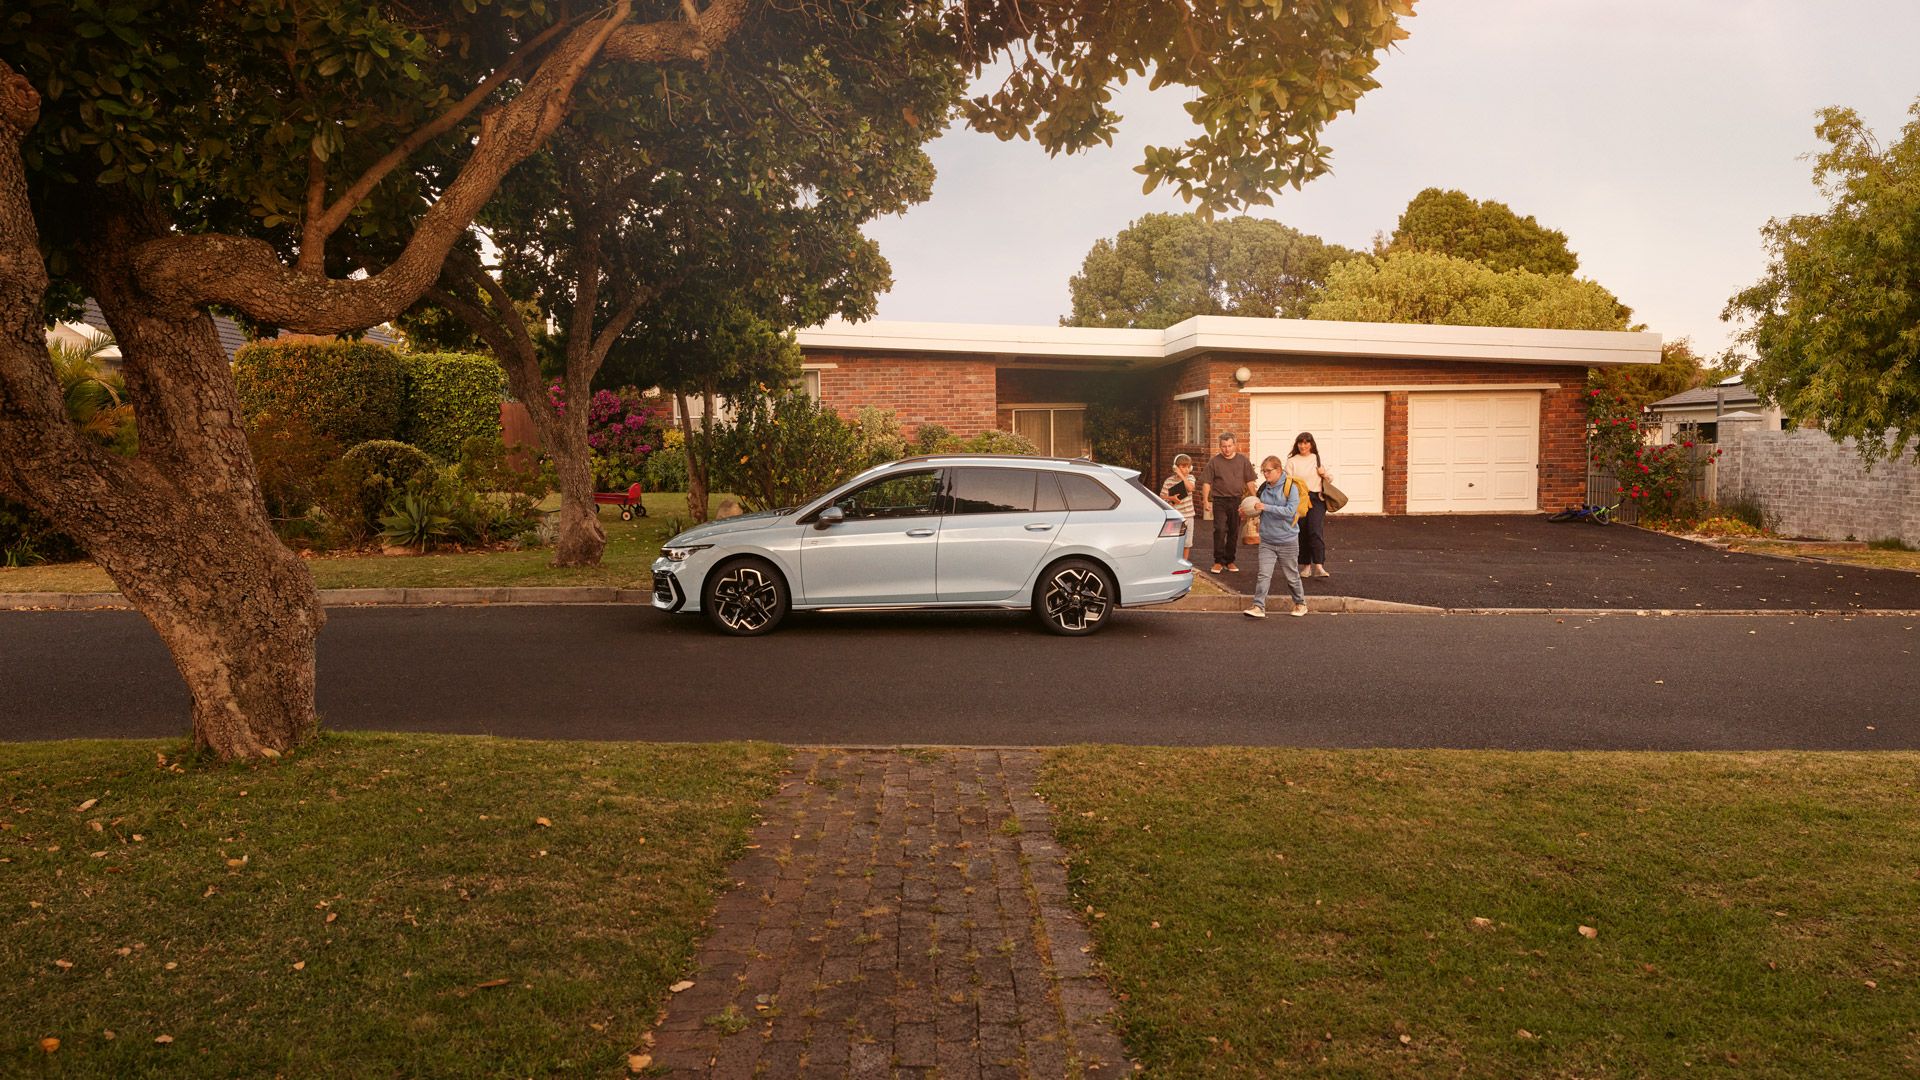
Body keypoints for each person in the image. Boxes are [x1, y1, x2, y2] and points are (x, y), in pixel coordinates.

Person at [1245, 456, 1307, 618]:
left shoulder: (1290, 487)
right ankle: (1258, 606)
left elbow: (1290, 511)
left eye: (1268, 471)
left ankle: (1300, 603)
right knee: (1263, 574)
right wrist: (1248, 510)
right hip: (1267, 540)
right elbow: (1257, 506)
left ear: (1279, 470)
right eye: (1263, 471)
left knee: (1292, 576)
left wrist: (1266, 507)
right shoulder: (1264, 488)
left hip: (1287, 540)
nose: (1265, 474)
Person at [1200, 432, 1256, 573]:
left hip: (1237, 501)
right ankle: (1218, 561)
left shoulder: (1243, 461)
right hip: (1219, 501)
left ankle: (1230, 560)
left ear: (1234, 445)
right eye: (1224, 446)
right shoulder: (1214, 462)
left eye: (1229, 446)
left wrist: (1255, 498)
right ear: (1220, 446)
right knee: (1219, 530)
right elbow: (1207, 482)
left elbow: (1250, 481)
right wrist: (1205, 500)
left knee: (1233, 531)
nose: (1227, 449)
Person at [1284, 431, 1333, 578]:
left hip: (1316, 498)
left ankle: (1319, 566)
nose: (1303, 445)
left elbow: (1330, 478)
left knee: (1315, 530)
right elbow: (1287, 481)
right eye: (1300, 442)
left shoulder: (1317, 459)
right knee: (1302, 532)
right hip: (1299, 498)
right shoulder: (1292, 461)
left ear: (1311, 444)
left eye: (1306, 442)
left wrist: (1323, 473)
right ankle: (1306, 567)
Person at [1159, 453, 1198, 562]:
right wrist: (1171, 498)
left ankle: (1184, 562)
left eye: (1187, 467)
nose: (1185, 469)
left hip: (1188, 516)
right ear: (1175, 467)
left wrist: (1182, 476)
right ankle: (1173, 561)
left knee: (1187, 542)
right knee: (1173, 541)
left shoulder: (1190, 478)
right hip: (1175, 516)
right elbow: (1161, 497)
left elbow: (1191, 488)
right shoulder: (1169, 481)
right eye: (1182, 467)